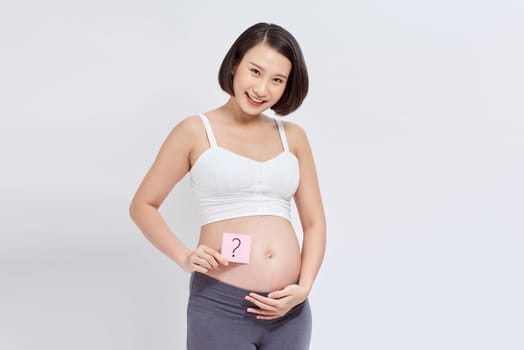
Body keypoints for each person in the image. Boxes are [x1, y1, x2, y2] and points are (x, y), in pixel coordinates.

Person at [129, 22, 326, 350]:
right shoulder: (195, 131)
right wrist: (183, 256)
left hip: (289, 311)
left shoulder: (294, 137)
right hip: (221, 307)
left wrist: (304, 288)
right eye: (255, 71)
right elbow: (142, 206)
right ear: (235, 65)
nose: (262, 89)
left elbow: (314, 222)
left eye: (277, 80)